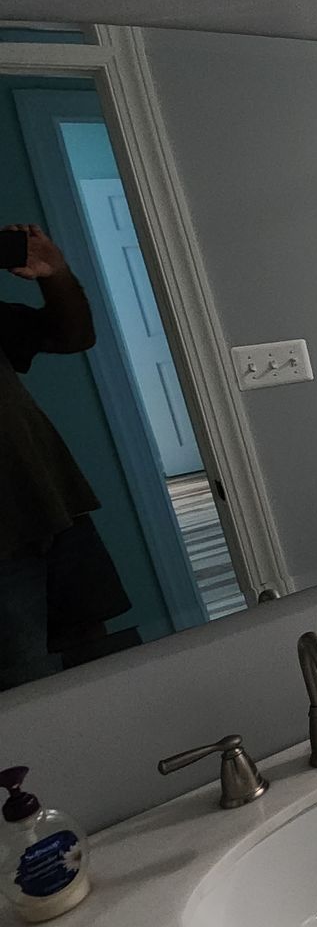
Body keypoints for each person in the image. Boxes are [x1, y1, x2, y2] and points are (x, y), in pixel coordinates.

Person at [0, 222, 133, 689]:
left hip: (56, 507)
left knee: (102, 665)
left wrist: (54, 273)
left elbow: (73, 335)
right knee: (31, 691)